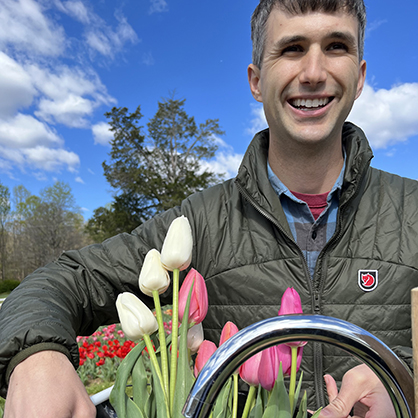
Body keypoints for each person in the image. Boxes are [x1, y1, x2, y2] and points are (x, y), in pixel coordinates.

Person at [0, 0, 417, 417]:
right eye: (291, 49)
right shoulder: (203, 220)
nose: (312, 72)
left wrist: (407, 382)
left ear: (360, 76)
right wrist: (36, 358)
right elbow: (66, 278)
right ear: (255, 80)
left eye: (336, 46)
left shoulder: (411, 209)